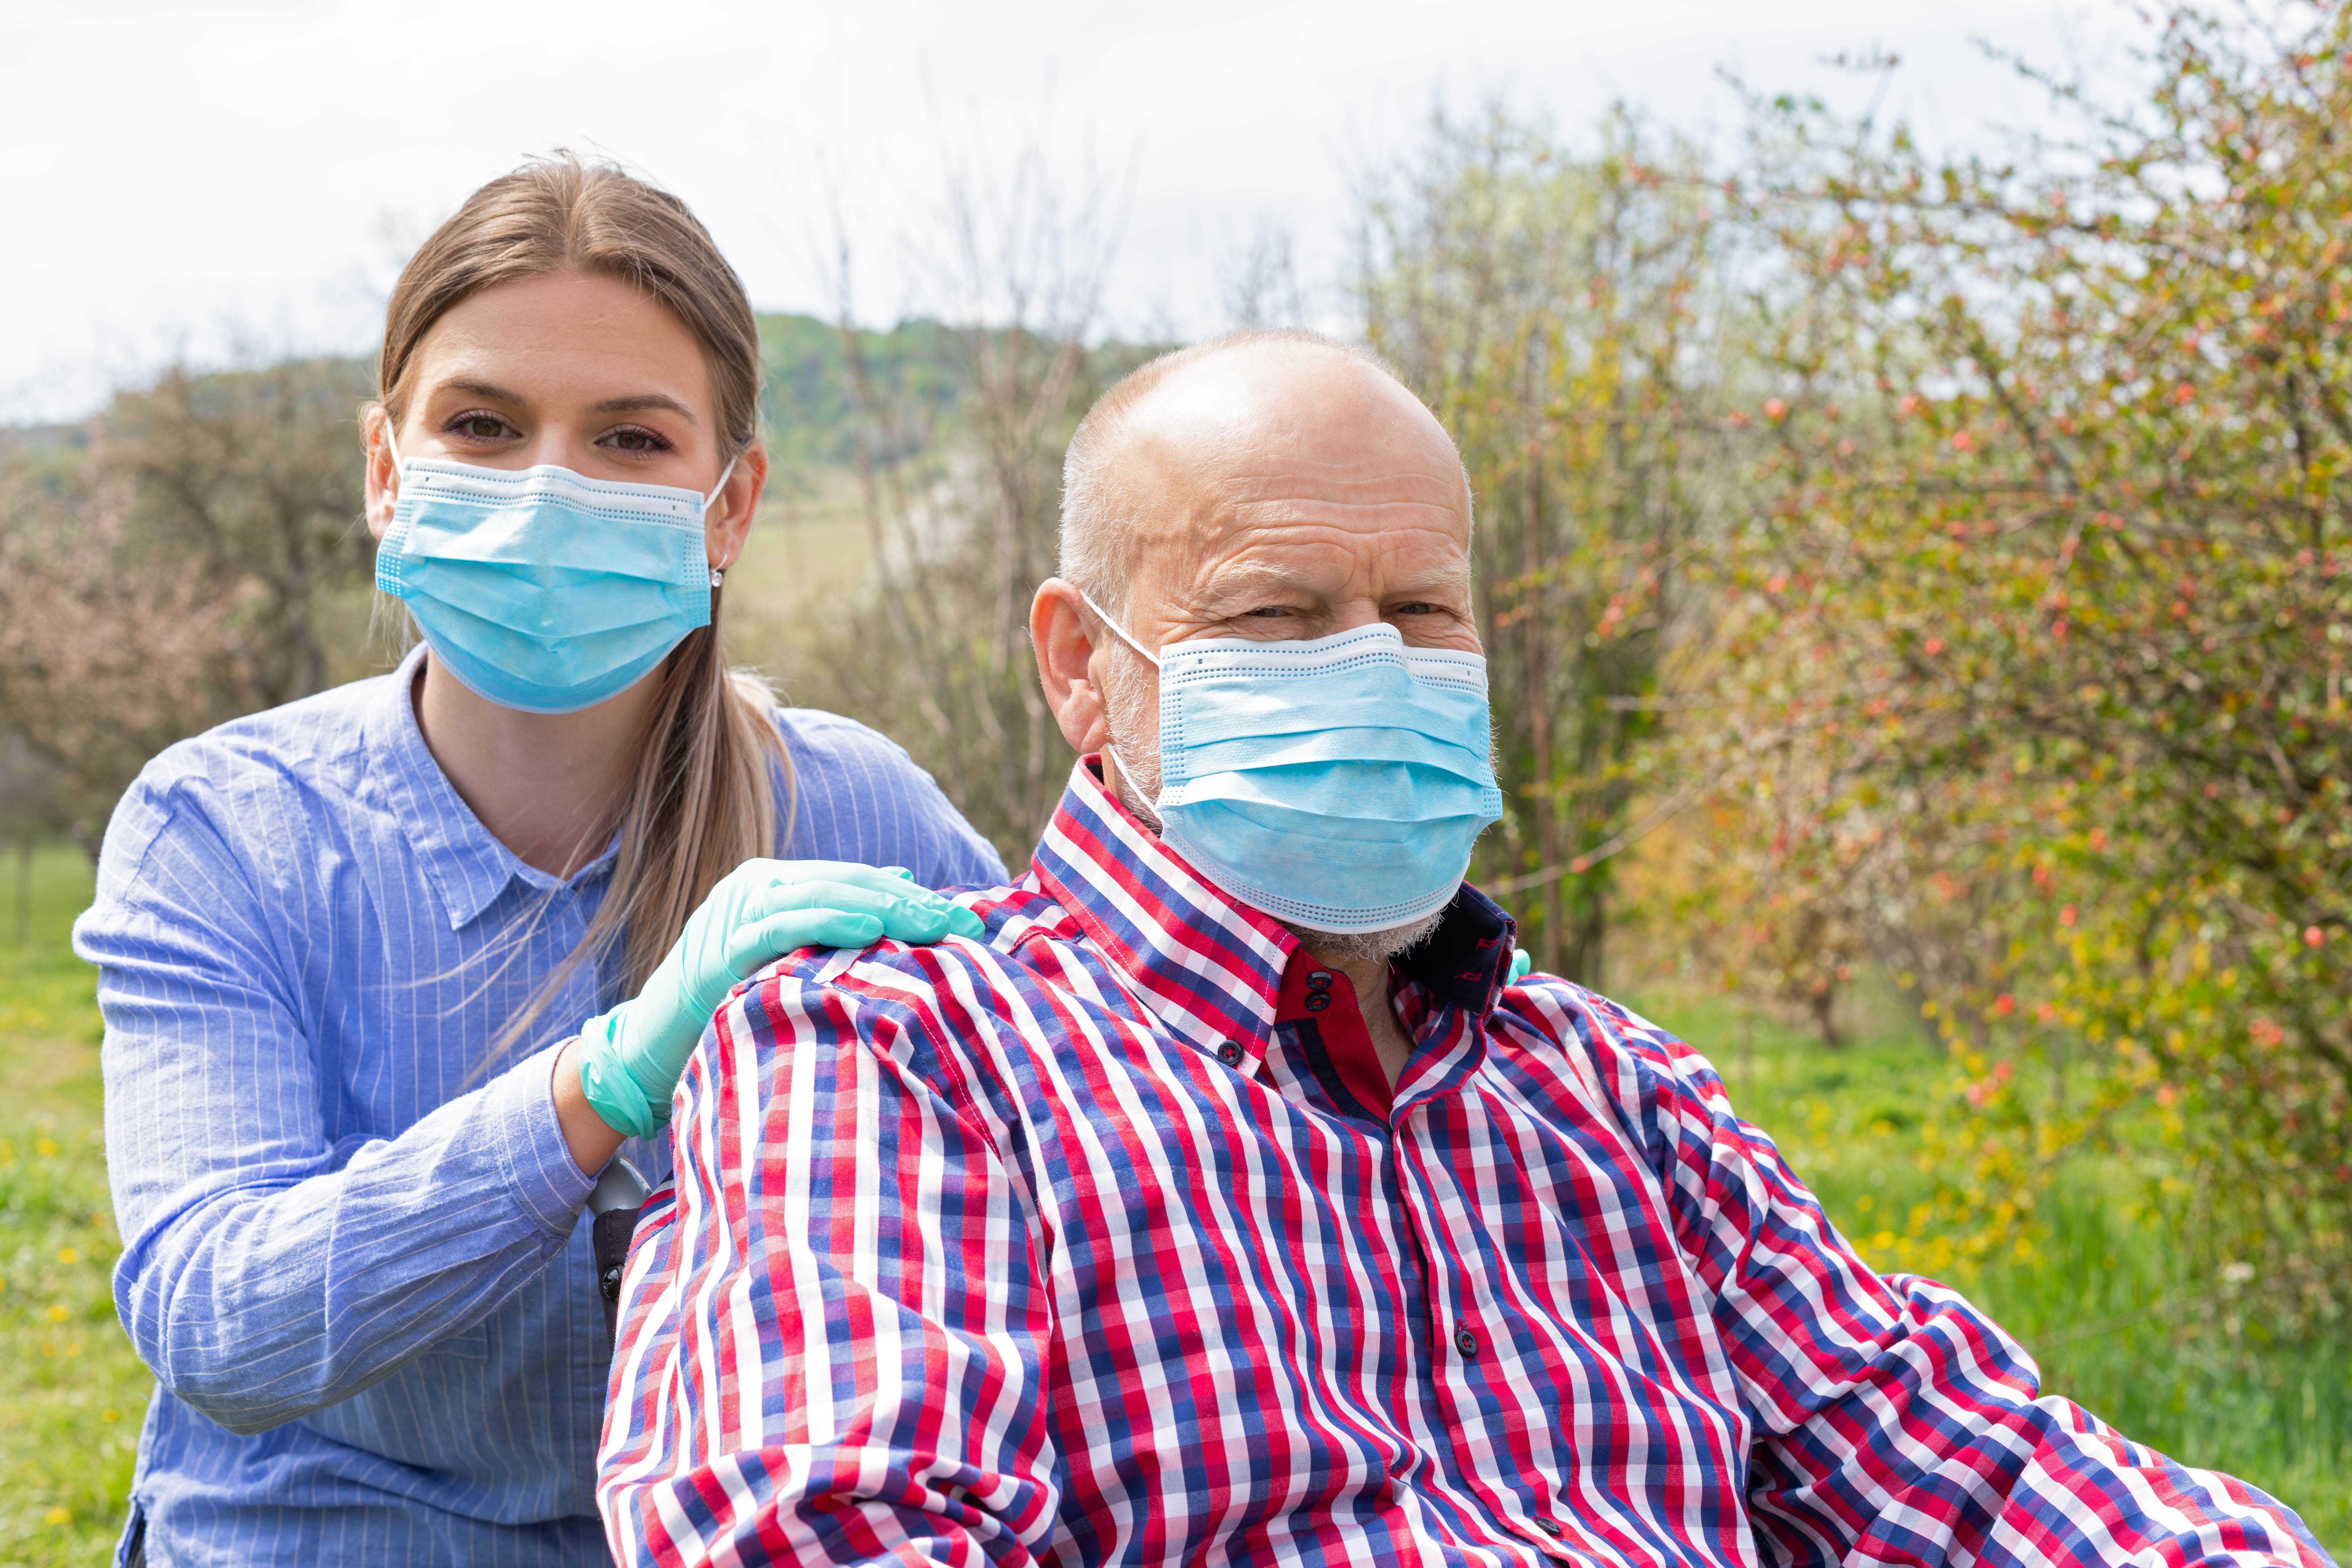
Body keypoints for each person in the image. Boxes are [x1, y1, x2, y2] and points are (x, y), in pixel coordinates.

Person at [596, 330, 2329, 1567]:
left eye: (1423, 613)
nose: (1377, 665)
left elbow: (1959, 1465)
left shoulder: (1619, 1095)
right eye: (1280, 615)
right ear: (1081, 667)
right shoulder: (894, 1059)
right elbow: (810, 1522)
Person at [72, 155, 1008, 1568]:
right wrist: (601, 1084)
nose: (550, 487)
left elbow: (1071, 1145)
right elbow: (223, 1323)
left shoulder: (858, 813)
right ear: (388, 471)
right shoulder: (223, 829)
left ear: (733, 505)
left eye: (632, 439)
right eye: (486, 424)